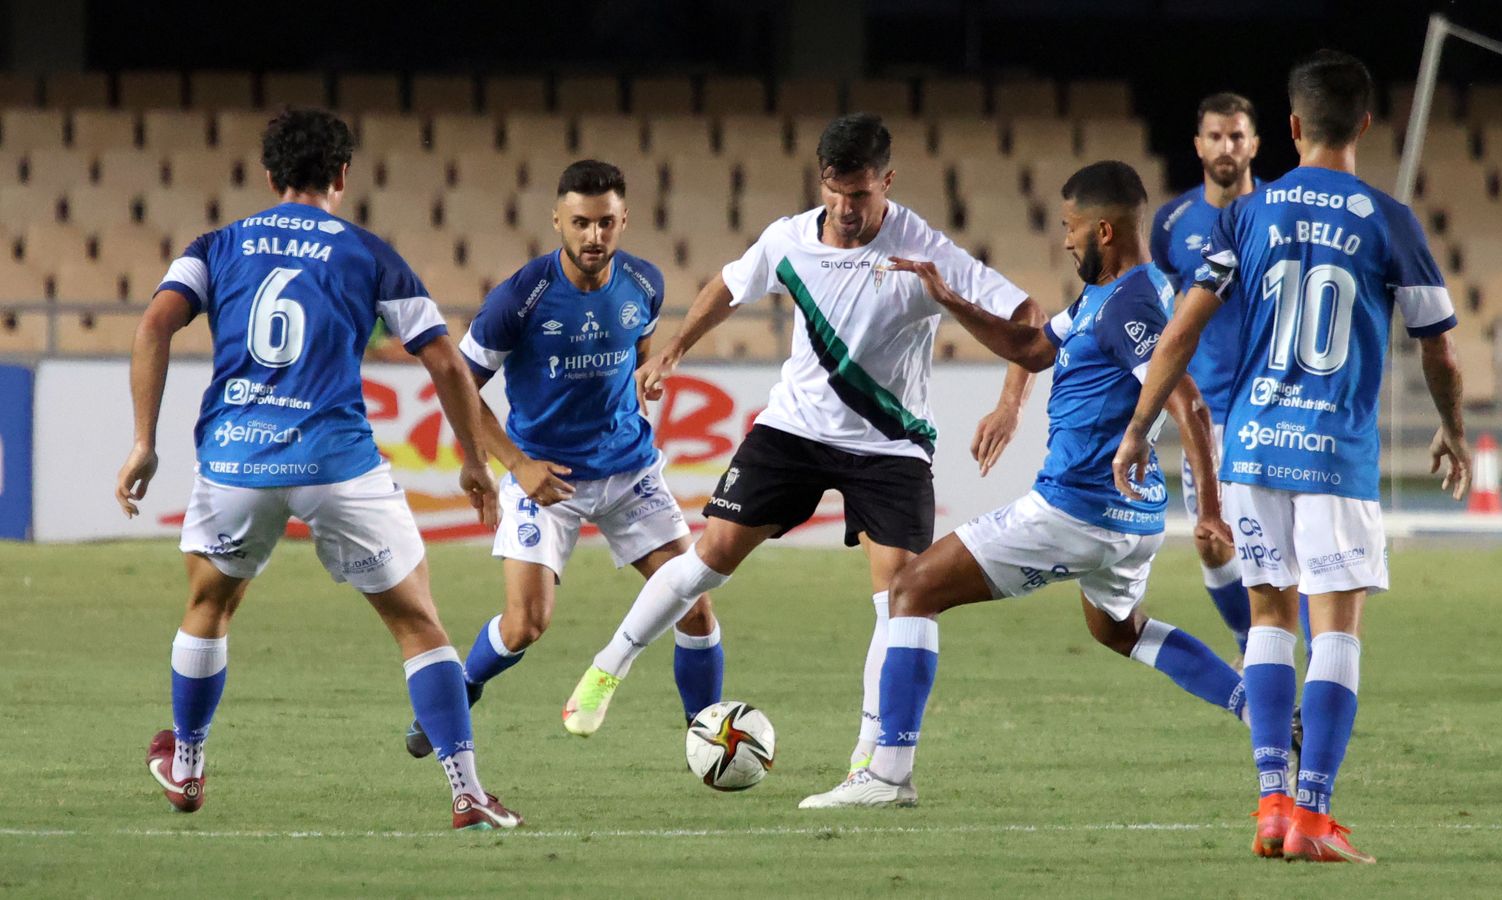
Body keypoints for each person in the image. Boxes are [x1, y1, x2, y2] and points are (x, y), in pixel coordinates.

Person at [562, 113, 1043, 779]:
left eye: (863, 194)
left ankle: (870, 755)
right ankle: (605, 670)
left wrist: (1009, 404)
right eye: (835, 192)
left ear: (888, 183)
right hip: (794, 429)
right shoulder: (789, 239)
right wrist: (673, 349)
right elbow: (730, 287)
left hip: (891, 445)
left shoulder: (924, 249)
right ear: (822, 181)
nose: (846, 209)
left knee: (898, 596)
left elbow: (1028, 317)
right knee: (710, 558)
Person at [113, 108, 521, 831]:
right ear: (342, 175)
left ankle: (189, 764)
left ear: (269, 176)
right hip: (338, 463)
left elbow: (153, 325)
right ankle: (465, 789)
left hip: (236, 460)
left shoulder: (217, 244)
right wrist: (471, 461)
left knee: (210, 607)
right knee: (418, 624)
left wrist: (144, 441)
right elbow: (444, 360)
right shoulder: (369, 254)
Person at [1113, 50, 1471, 863]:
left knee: (1269, 620)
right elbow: (1439, 351)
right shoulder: (1389, 220)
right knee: (1335, 630)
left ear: (1295, 127)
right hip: (1334, 453)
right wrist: (1451, 426)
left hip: (1252, 445)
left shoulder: (1251, 213)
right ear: (1366, 125)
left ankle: (1271, 805)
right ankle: (1313, 816)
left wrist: (1138, 427)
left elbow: (1182, 330)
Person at [799, 160, 1246, 809]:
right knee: (1118, 630)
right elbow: (1033, 347)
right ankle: (1260, 706)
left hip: (1078, 506)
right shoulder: (1102, 298)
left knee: (912, 589)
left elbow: (1190, 403)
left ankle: (886, 774)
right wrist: (950, 301)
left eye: (1070, 228)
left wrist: (1210, 511)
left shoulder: (1133, 303)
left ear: (1104, 230)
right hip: (1129, 521)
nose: (1064, 240)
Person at [402, 159, 721, 759]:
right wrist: (515, 466)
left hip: (629, 472)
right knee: (526, 624)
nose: (593, 237)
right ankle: (463, 689)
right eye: (580, 223)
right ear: (557, 221)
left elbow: (638, 352)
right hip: (544, 475)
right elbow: (460, 388)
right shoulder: (521, 299)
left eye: (605, 223)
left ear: (624, 220)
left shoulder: (646, 283)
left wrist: (644, 381)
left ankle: (709, 736)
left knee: (694, 607)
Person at [1150, 92, 1261, 658]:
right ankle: (1249, 642)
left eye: (1237, 136)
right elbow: (1164, 316)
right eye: (1216, 136)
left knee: (1279, 546)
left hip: (1269, 408)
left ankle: (1293, 657)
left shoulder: (1277, 214)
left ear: (1255, 144)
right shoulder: (1171, 223)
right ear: (1197, 145)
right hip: (1208, 414)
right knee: (1214, 544)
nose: (1226, 146)